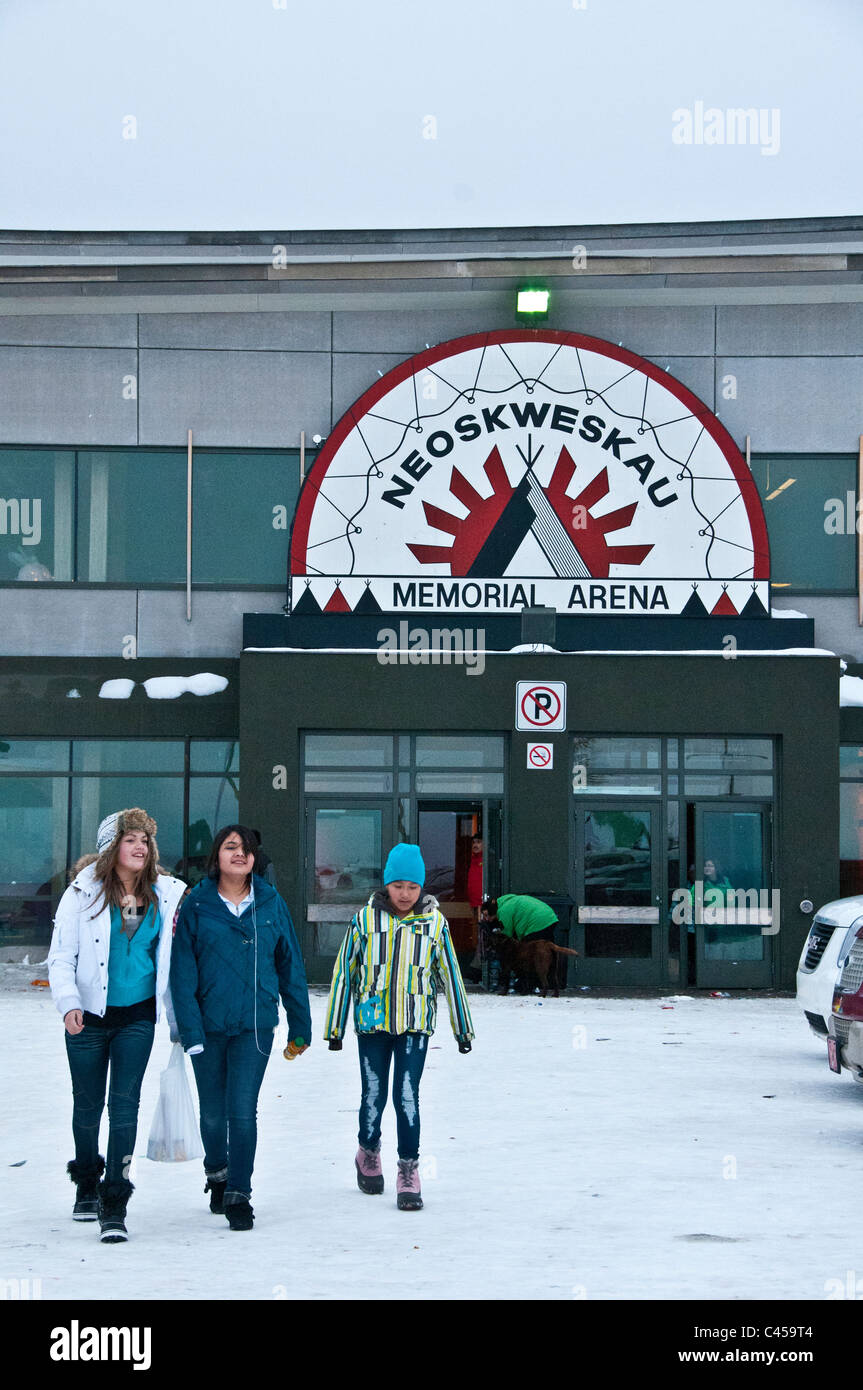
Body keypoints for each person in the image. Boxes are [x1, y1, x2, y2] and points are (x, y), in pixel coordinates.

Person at [48, 808, 187, 1243]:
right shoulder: (81, 893)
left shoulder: (166, 894)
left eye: (145, 840)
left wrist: (179, 1017)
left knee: (125, 1107)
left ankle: (114, 1200)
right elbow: (61, 956)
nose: (140, 847)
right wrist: (68, 1003)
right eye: (131, 839)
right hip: (87, 1017)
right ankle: (87, 1180)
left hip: (137, 1016)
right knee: (87, 1107)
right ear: (111, 847)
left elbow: (174, 960)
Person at [169, 824, 311, 1231]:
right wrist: (190, 1031)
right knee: (213, 1114)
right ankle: (217, 1172)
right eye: (230, 847)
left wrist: (300, 1023)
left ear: (254, 859)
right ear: (216, 856)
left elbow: (290, 965)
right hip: (207, 1027)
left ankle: (239, 1193)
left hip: (255, 1026)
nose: (239, 854)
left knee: (242, 1111)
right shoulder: (196, 904)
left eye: (246, 849)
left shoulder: (271, 902)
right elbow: (182, 973)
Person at [324, 843, 474, 1211]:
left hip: (414, 1024)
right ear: (386, 885)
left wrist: (462, 1029)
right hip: (372, 1024)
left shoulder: (434, 924)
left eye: (412, 887)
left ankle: (408, 1169)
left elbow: (451, 975)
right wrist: (335, 1027)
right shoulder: (365, 921)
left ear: (421, 888)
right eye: (398, 886)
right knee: (373, 1094)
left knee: (406, 1096)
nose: (405, 894)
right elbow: (344, 972)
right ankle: (368, 1151)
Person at [480, 894, 560, 994]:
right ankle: (548, 984)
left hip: (536, 922)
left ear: (493, 911)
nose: (486, 919)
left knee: (528, 955)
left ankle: (528, 986)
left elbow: (507, 935)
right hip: (550, 917)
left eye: (487, 915)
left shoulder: (504, 911)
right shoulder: (505, 901)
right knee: (546, 955)